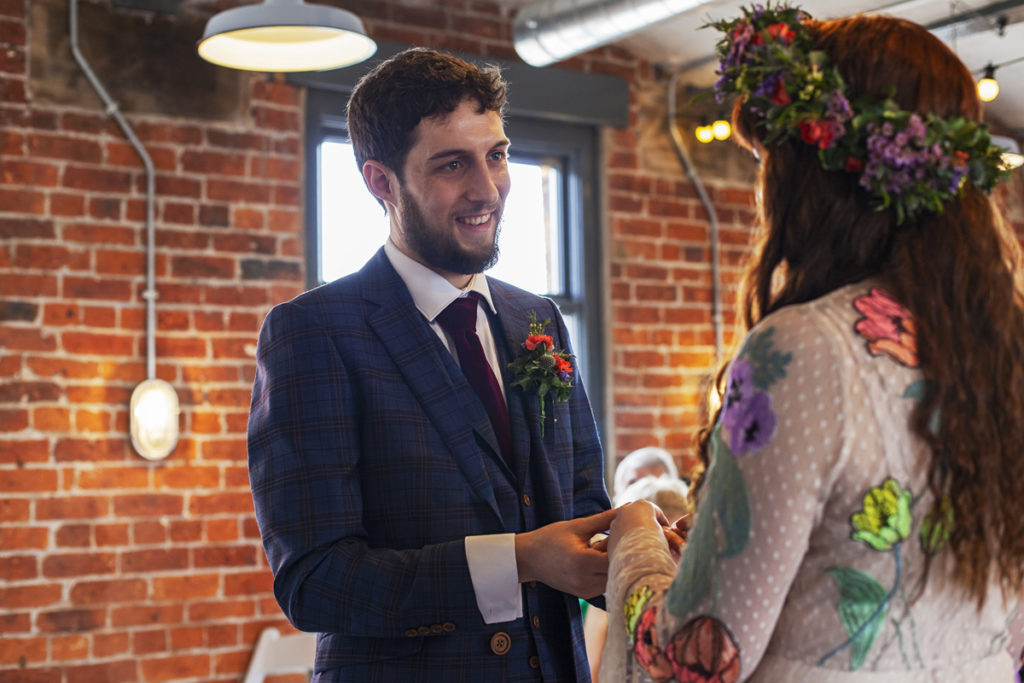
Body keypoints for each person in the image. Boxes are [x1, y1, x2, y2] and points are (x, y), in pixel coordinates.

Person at [602, 5, 1024, 682]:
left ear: (810, 178)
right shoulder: (1006, 354)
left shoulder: (805, 350)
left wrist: (635, 543)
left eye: (770, 163)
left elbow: (697, 659)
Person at [247, 47, 615, 682]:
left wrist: (643, 549)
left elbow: (580, 511)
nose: (487, 189)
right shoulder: (313, 332)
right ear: (381, 182)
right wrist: (519, 559)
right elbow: (315, 581)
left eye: (497, 155)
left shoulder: (539, 321)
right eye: (453, 165)